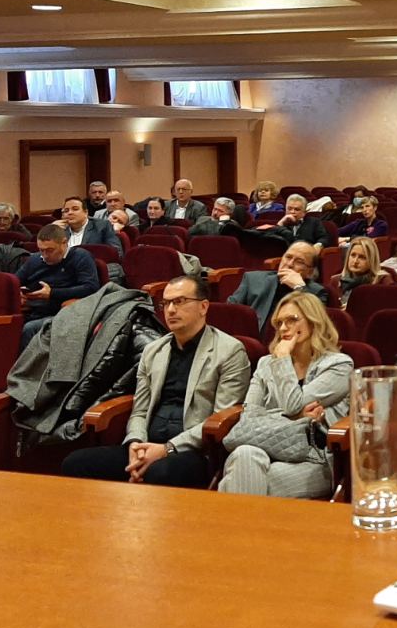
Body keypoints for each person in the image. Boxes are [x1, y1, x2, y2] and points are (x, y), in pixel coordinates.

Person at [60, 276, 251, 488]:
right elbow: (140, 411)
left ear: (203, 307)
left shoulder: (229, 351)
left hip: (192, 451)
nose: (170, 310)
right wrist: (136, 445)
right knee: (76, 463)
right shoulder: (153, 350)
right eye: (166, 303)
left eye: (179, 301)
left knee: (160, 472)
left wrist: (166, 449)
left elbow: (220, 419)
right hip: (147, 444)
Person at [219, 292, 352, 499]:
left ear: (314, 321)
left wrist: (282, 360)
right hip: (264, 447)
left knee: (244, 478)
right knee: (245, 455)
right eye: (279, 322)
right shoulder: (265, 364)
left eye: (292, 320)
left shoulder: (339, 365)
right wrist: (297, 418)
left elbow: (291, 404)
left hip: (312, 458)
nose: (283, 328)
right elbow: (249, 415)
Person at [14, 224, 103, 352]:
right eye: (41, 250)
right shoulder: (35, 259)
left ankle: (27, 365)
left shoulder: (80, 257)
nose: (45, 255)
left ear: (64, 243)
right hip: (33, 310)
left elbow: (91, 288)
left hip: (63, 313)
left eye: (50, 250)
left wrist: (52, 293)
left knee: (30, 328)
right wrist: (17, 294)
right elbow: (14, 282)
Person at [227, 242, 329, 329]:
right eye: (288, 257)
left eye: (299, 262)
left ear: (310, 272)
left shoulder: (317, 292)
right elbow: (229, 312)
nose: (290, 264)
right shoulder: (253, 279)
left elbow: (316, 324)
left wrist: (299, 288)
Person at [328, 237, 392, 307]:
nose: (355, 261)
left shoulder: (383, 281)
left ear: (372, 260)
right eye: (353, 255)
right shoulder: (335, 281)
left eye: (362, 257)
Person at [59, 196, 123, 255]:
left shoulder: (102, 226)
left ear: (86, 212)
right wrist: (54, 231)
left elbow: (116, 252)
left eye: (75, 209)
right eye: (66, 211)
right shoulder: (60, 229)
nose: (70, 213)